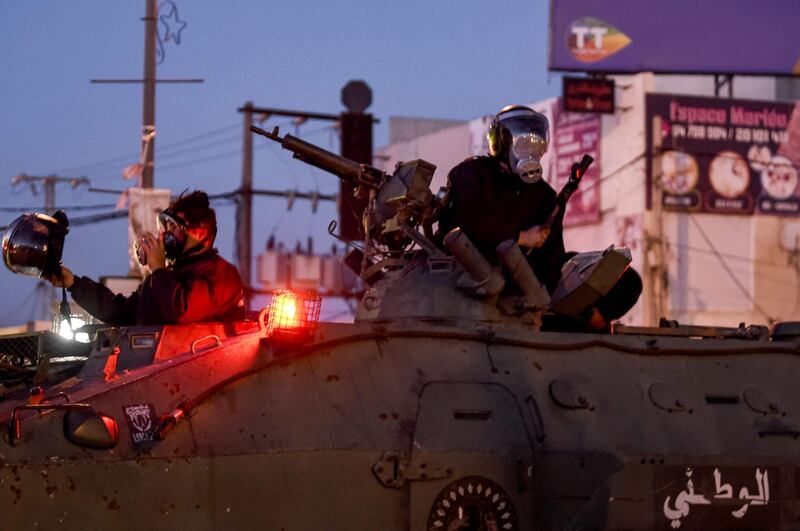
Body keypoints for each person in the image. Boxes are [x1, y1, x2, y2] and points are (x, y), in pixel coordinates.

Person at [437, 105, 640, 331]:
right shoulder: (472, 173)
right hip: (470, 276)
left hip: (523, 289)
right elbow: (461, 223)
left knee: (626, 280)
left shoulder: (545, 196)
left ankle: (594, 318)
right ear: (500, 142)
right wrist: (519, 236)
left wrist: (556, 297)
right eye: (521, 141)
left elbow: (553, 256)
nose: (529, 148)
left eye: (535, 142)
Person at [47, 190, 245, 326]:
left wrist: (158, 269)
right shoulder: (166, 277)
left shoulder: (222, 275)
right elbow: (119, 312)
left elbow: (181, 312)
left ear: (200, 233)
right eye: (164, 226)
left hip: (204, 380)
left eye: (173, 227)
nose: (164, 234)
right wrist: (74, 283)